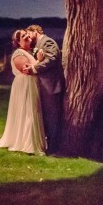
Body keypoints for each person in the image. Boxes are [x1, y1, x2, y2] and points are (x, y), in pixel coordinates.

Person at [0, 29, 47, 155]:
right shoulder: (18, 53)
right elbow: (26, 70)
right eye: (24, 36)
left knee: (33, 110)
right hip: (25, 85)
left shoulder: (27, 52)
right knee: (28, 111)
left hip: (31, 84)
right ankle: (27, 143)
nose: (27, 36)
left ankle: (34, 141)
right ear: (18, 42)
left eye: (27, 34)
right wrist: (39, 60)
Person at [27, 24, 63, 153]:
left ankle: (54, 146)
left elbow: (52, 58)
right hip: (43, 85)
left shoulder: (47, 42)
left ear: (35, 31)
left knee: (52, 115)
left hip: (50, 85)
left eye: (29, 34)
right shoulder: (38, 44)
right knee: (45, 116)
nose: (29, 38)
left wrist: (35, 67)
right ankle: (47, 143)